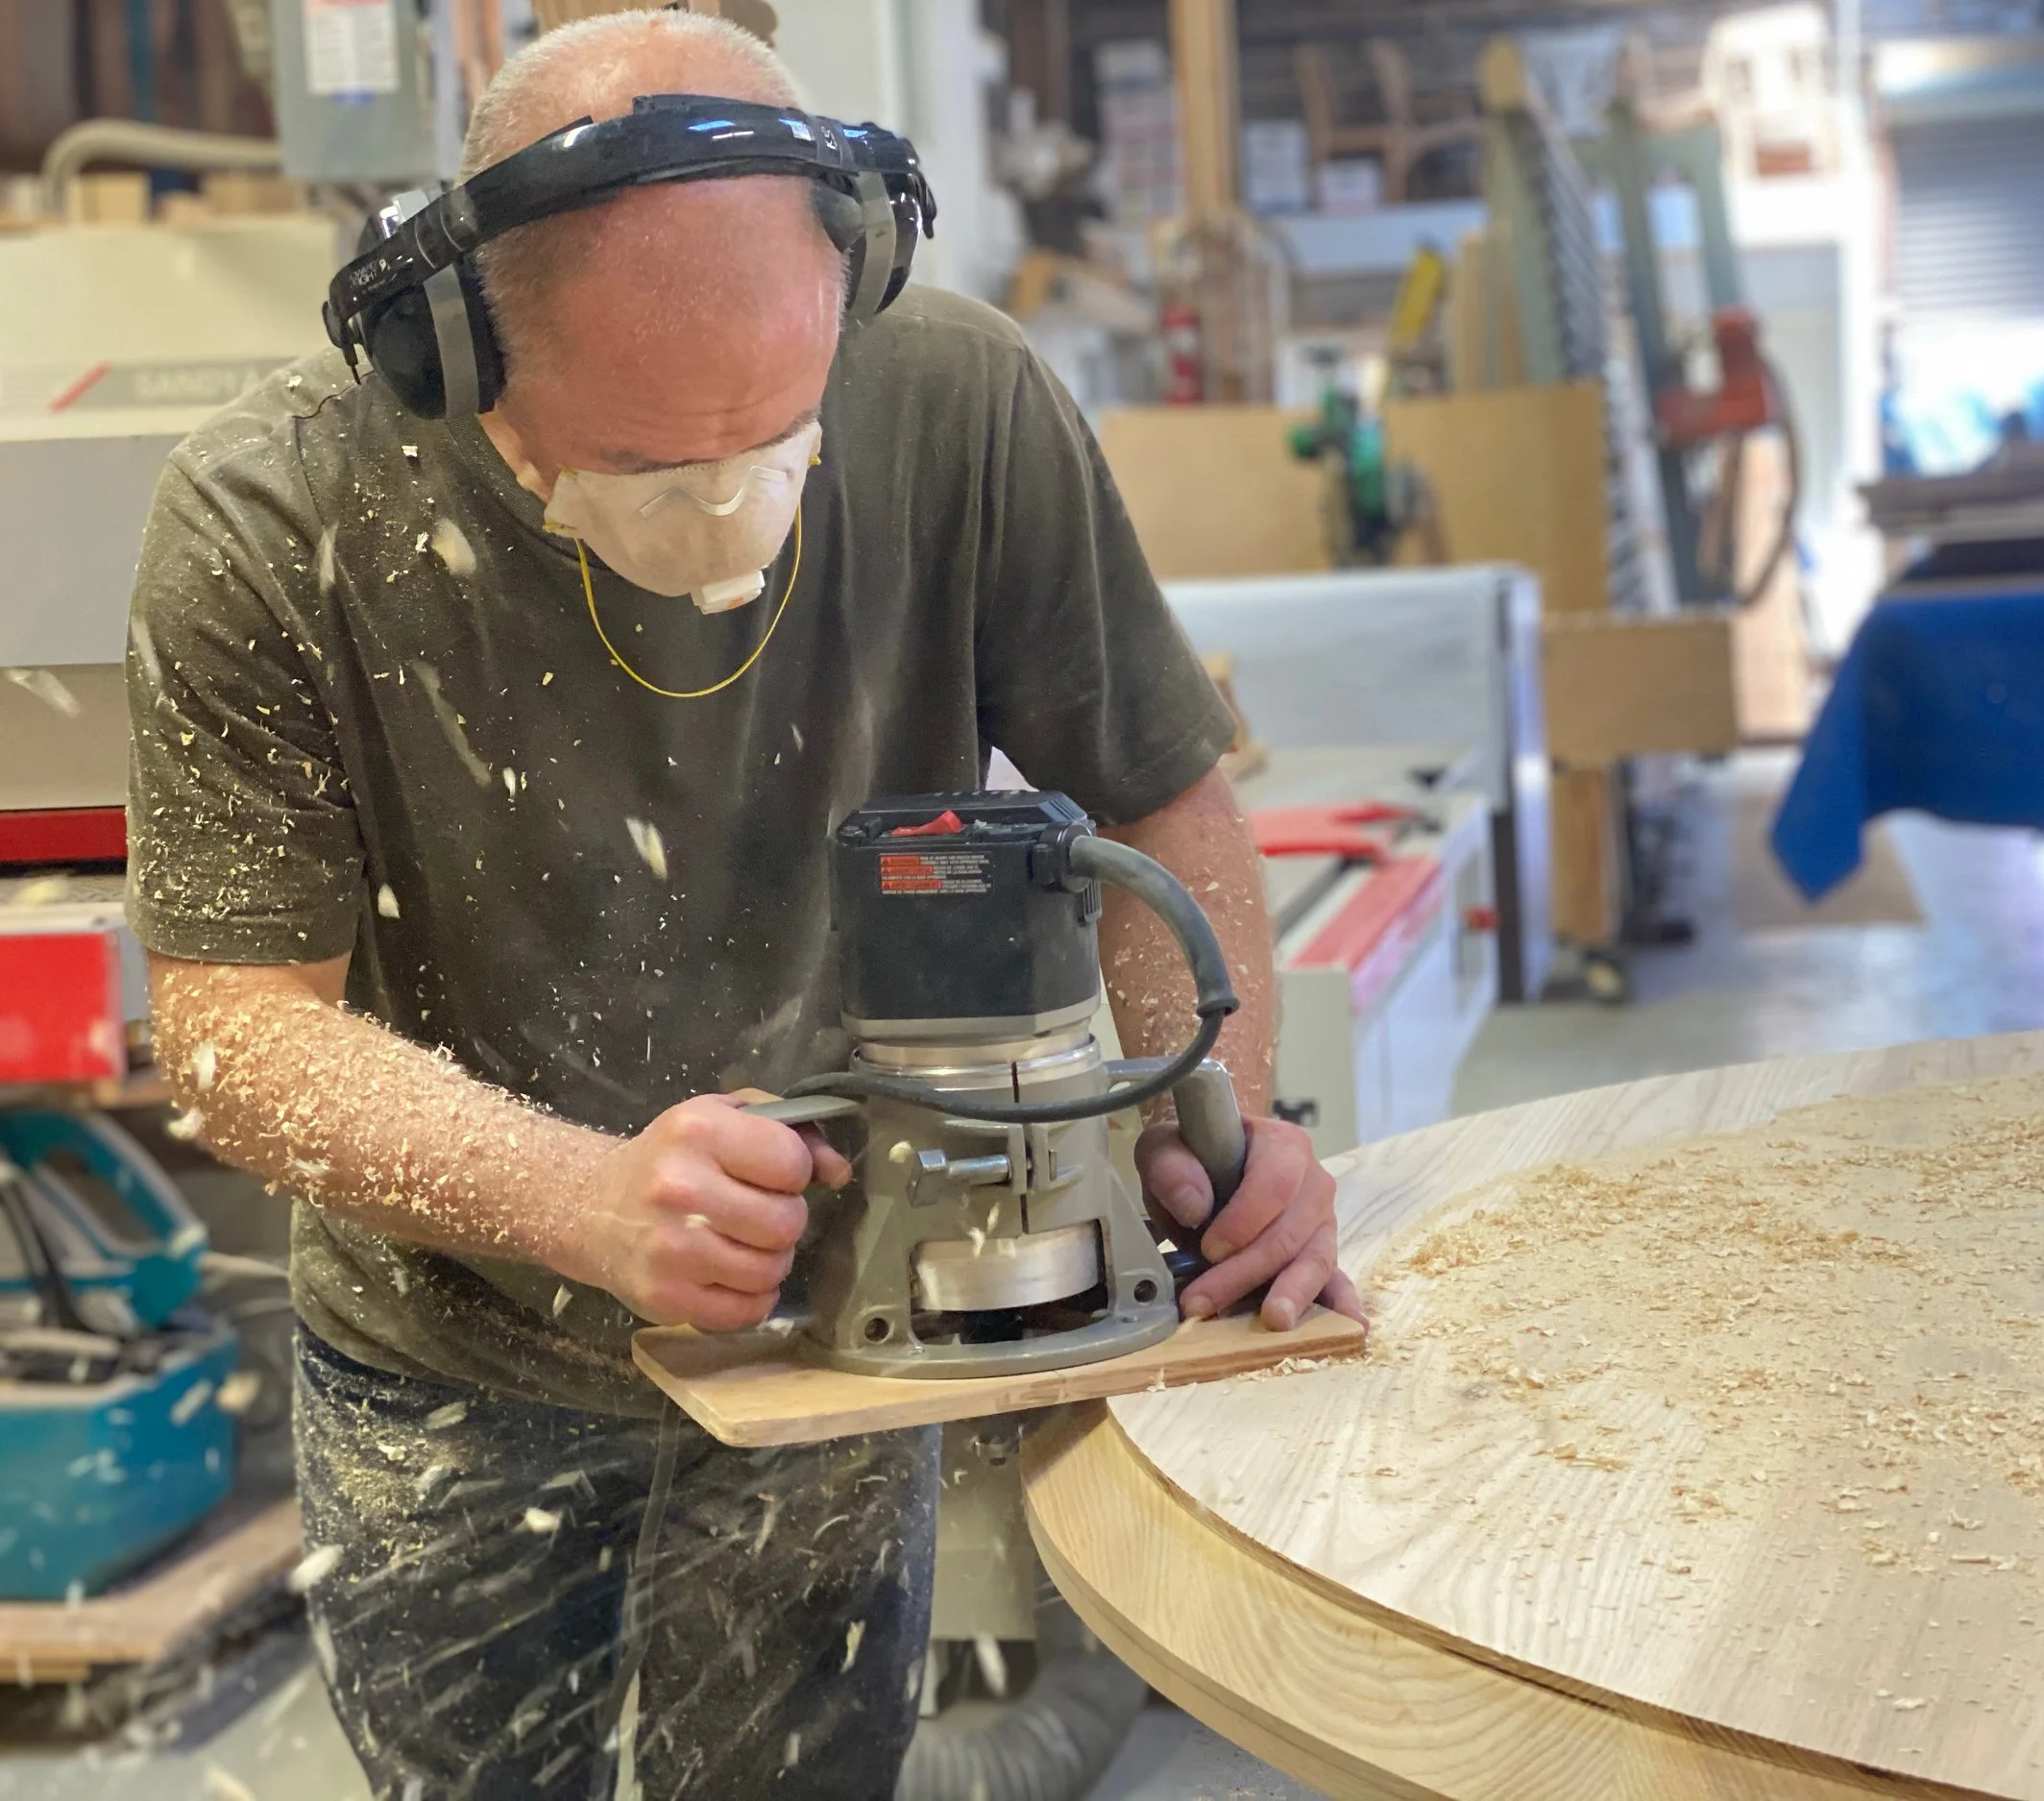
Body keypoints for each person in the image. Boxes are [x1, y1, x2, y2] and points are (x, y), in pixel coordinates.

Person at [127, 13, 1359, 1797]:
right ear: (462, 345)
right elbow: (240, 1035)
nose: (730, 511)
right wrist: (579, 1195)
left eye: (776, 432)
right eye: (644, 458)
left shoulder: (951, 397)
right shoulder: (271, 517)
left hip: (837, 1310)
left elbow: (1164, 802)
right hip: (450, 1359)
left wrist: (1208, 1130)